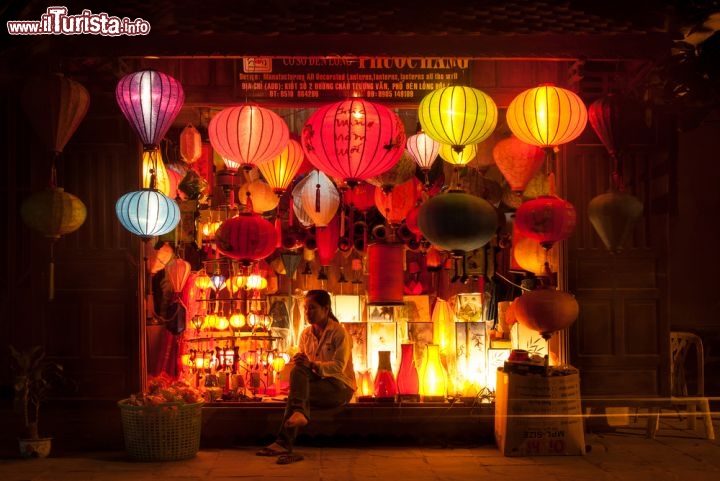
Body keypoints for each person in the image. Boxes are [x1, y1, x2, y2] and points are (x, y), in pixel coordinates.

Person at [256, 289, 356, 464]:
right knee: (297, 372)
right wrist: (302, 361)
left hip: (339, 387)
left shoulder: (339, 333)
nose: (307, 313)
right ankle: (299, 414)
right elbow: (304, 369)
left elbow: (339, 366)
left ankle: (283, 441)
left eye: (312, 308)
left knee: (296, 395)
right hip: (317, 384)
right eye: (305, 309)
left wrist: (312, 365)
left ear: (325, 309)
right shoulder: (305, 334)